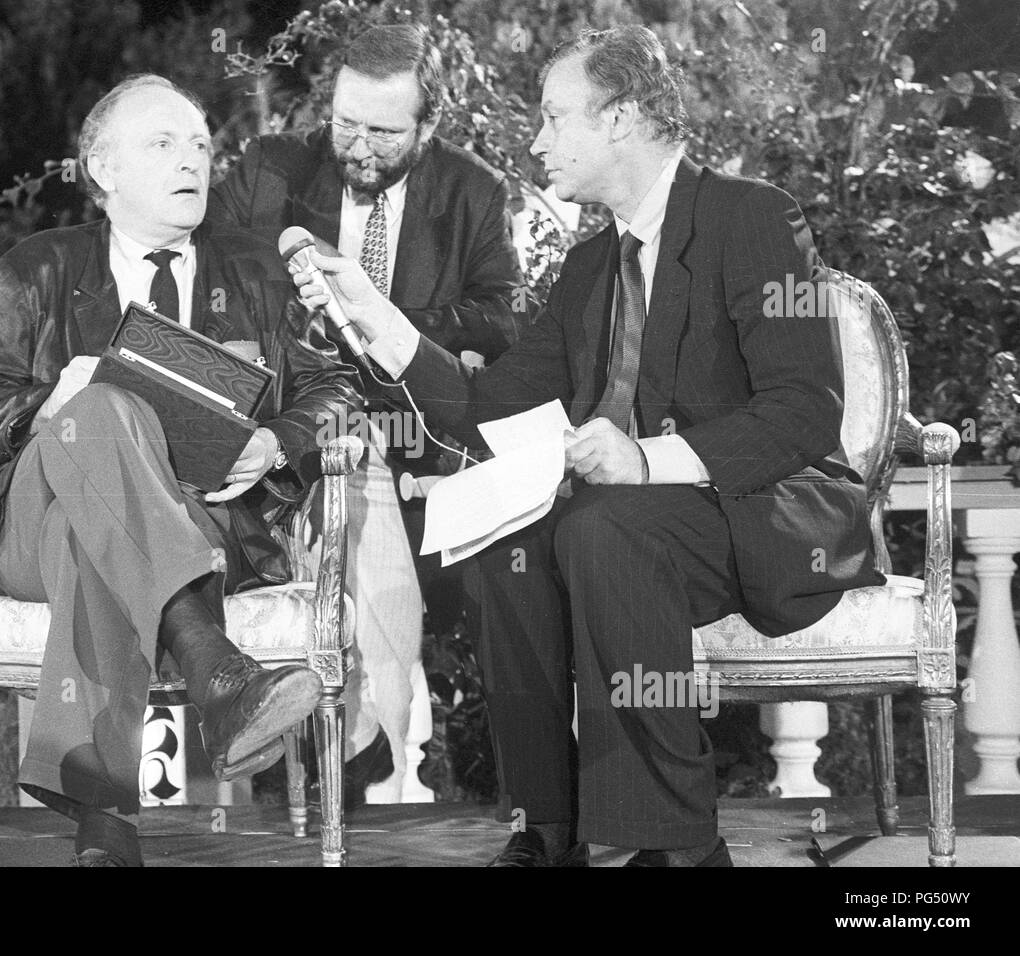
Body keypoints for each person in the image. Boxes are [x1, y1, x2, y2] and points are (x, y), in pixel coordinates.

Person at [290, 25, 883, 866]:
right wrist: (374, 319)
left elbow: (804, 413)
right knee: (509, 543)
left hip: (760, 509)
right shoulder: (588, 270)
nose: (536, 141)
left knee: (605, 527)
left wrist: (645, 462)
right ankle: (549, 827)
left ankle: (674, 845)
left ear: (622, 118)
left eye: (553, 117)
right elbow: (481, 406)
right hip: (639, 525)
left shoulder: (749, 217)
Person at [0, 74, 360, 867]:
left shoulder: (255, 272)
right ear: (103, 169)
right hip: (35, 524)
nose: (193, 161)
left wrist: (275, 442)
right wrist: (50, 403)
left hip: (209, 521)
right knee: (100, 409)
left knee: (92, 539)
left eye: (202, 145)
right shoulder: (34, 270)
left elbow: (333, 389)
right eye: (164, 143)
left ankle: (103, 828)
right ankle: (215, 668)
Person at [208, 23, 526, 802]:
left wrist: (387, 319)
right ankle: (345, 754)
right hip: (290, 430)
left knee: (370, 494)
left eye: (383, 132)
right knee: (336, 487)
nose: (357, 147)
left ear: (428, 124)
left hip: (410, 436)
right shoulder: (271, 171)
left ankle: (359, 754)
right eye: (345, 123)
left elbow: (501, 317)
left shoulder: (472, 191)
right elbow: (210, 282)